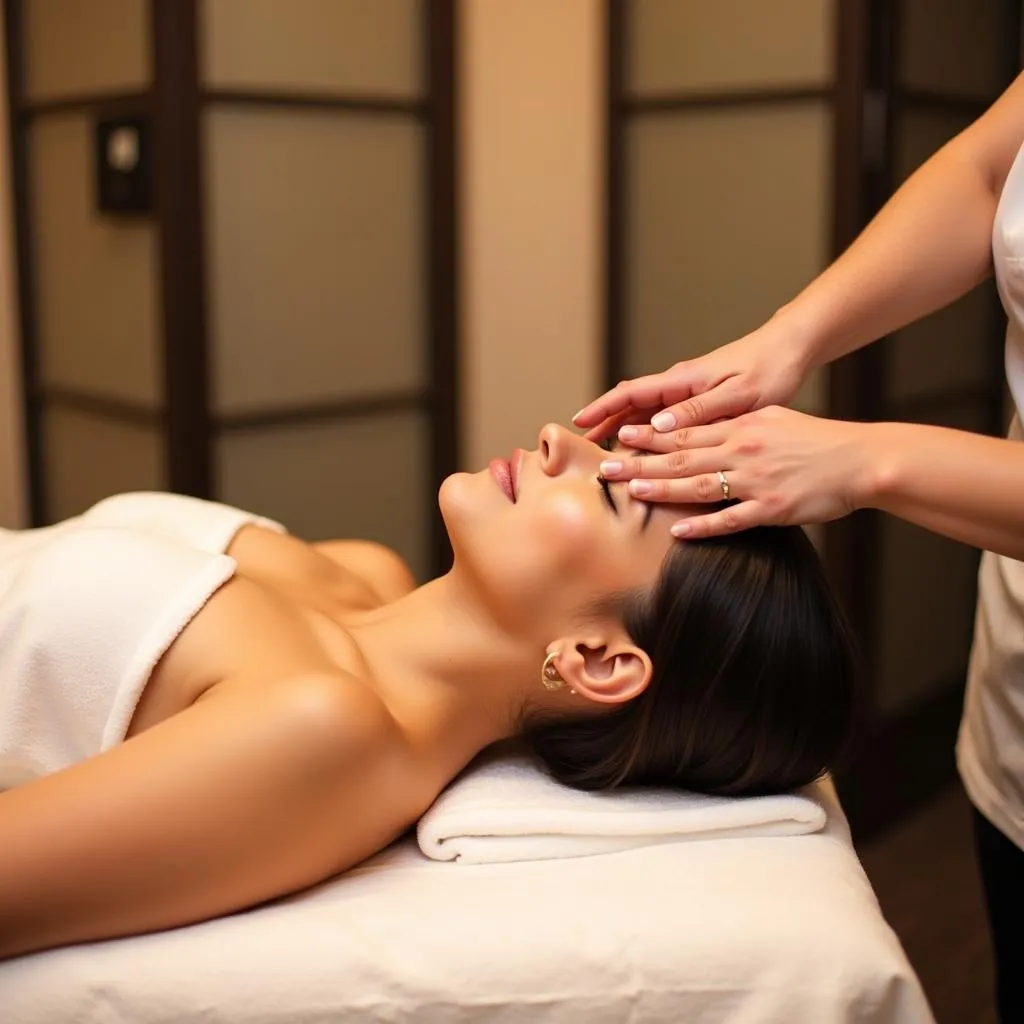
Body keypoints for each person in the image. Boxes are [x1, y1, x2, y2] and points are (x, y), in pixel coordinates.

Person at [0, 424, 860, 960]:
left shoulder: (326, 732)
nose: (562, 438)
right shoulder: (366, 575)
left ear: (599, 659)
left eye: (609, 492)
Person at [573, 70, 1024, 1023]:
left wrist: (869, 458)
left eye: (623, 502)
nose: (556, 442)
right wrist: (789, 337)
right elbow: (989, 175)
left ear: (597, 659)